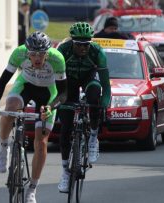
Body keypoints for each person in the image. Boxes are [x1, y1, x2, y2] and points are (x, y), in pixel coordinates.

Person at [0, 31, 67, 203]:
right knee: (10, 108)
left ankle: (32, 188)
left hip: (48, 94)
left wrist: (51, 107)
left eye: (41, 54)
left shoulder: (57, 59)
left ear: (48, 52)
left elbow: (63, 93)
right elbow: (2, 81)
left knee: (41, 142)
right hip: (26, 85)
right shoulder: (18, 53)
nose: (37, 58)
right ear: (27, 52)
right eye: (33, 54)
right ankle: (3, 149)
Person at [56, 22, 111, 192]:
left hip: (89, 78)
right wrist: (57, 99)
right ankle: (65, 171)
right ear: (72, 42)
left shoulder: (97, 52)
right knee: (65, 129)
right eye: (79, 44)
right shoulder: (62, 51)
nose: (83, 48)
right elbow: (54, 80)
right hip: (69, 81)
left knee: (94, 97)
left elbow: (105, 81)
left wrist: (105, 98)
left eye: (86, 44)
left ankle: (93, 136)